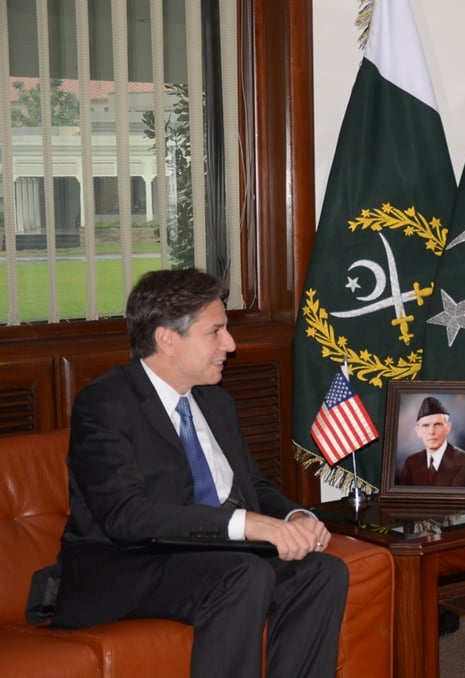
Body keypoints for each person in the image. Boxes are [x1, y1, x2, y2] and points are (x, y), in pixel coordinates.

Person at [46, 269, 348, 677]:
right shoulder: (105, 405)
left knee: (321, 571)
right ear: (167, 338)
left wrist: (295, 517)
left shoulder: (215, 403)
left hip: (212, 558)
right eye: (216, 331)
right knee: (244, 573)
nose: (231, 344)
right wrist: (249, 525)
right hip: (130, 566)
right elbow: (125, 515)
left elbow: (252, 487)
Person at [398, 396, 465, 486]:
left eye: (437, 425)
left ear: (448, 428)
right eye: (426, 425)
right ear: (418, 431)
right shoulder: (411, 463)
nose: (431, 432)